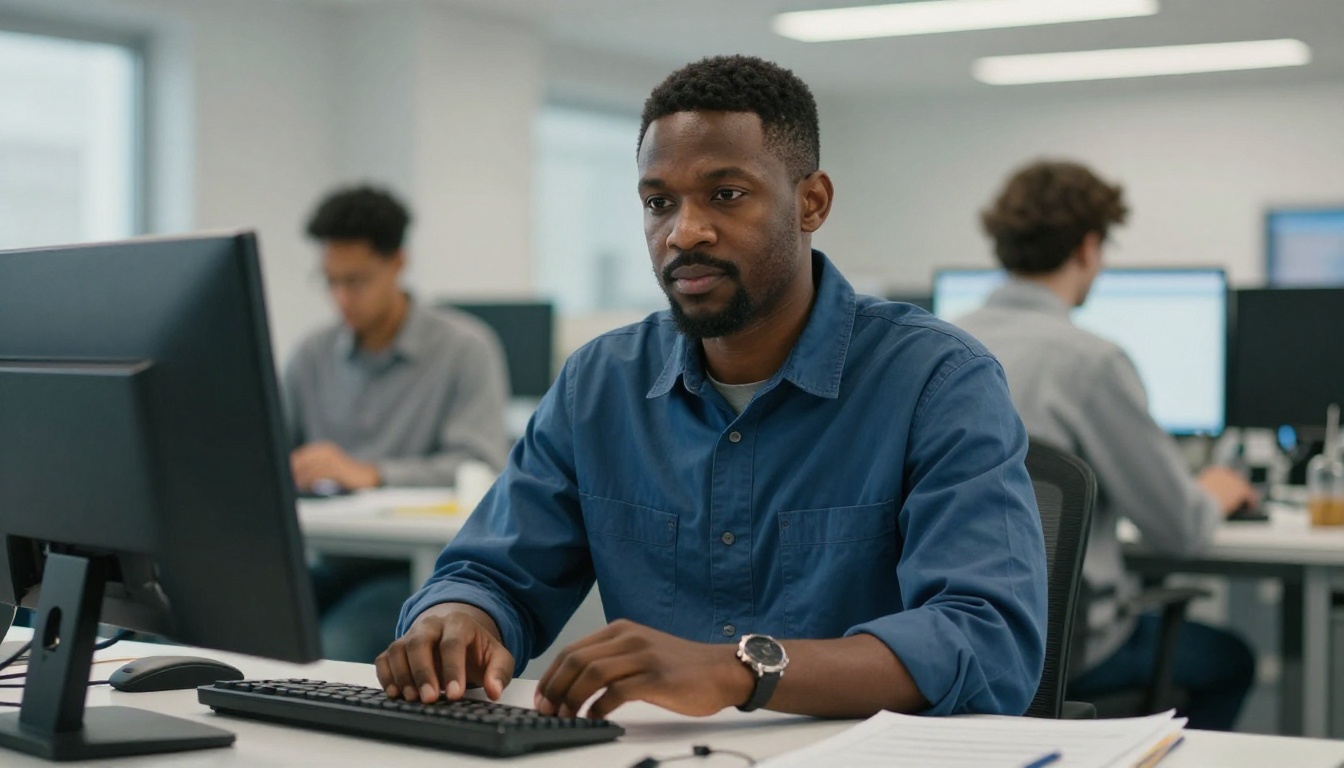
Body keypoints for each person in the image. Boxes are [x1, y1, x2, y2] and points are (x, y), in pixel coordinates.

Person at [376, 55, 1048, 720]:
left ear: (811, 202)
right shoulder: (600, 384)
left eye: (725, 195)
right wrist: (457, 616)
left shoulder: (937, 379)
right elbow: (493, 574)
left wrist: (740, 672)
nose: (684, 232)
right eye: (658, 203)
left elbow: (986, 644)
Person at [955, 160, 1257, 731]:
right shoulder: (1089, 361)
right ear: (1089, 248)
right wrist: (1215, 489)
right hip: (1064, 653)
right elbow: (1179, 530)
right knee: (1230, 659)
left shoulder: (937, 342)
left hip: (959, 646)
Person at [285, 184, 511, 662]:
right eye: (330, 281)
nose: (342, 298)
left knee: (334, 651)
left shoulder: (464, 348)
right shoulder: (312, 356)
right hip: (327, 558)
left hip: (419, 572)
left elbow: (480, 466)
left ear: (397, 264)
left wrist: (372, 474)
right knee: (225, 638)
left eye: (357, 280)